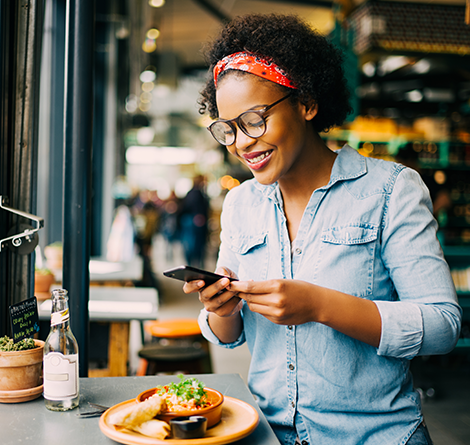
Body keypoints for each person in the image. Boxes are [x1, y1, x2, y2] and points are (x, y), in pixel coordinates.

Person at [183, 14, 462, 445]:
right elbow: (229, 336)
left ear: (307, 104)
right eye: (229, 129)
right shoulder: (242, 204)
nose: (241, 142)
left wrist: (319, 306)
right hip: (269, 435)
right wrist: (222, 309)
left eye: (255, 120)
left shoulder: (390, 191)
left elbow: (443, 326)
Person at [179, 175, 210, 268]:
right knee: (195, 245)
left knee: (191, 244)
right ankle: (195, 264)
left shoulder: (190, 193)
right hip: (195, 223)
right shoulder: (198, 193)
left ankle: (192, 264)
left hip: (190, 222)